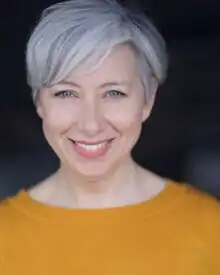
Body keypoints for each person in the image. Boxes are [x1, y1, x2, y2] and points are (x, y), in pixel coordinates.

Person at [1, 0, 220, 274]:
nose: (90, 124)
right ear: (39, 102)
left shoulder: (210, 230)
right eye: (66, 93)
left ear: (148, 100)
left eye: (113, 93)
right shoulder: (4, 235)